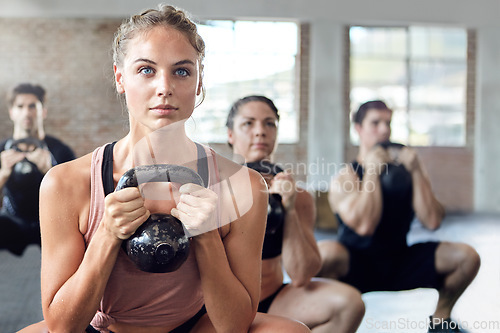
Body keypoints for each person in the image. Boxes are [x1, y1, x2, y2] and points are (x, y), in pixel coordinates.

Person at [20, 5, 311, 333]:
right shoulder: (65, 183)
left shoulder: (246, 186)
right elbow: (62, 327)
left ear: (199, 83)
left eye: (182, 71)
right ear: (120, 78)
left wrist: (207, 235)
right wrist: (106, 234)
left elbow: (234, 325)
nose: (164, 87)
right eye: (146, 70)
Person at [316, 100, 481, 332]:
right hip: (355, 266)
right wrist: (372, 171)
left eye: (388, 123)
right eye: (375, 123)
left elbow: (432, 221)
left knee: (466, 257)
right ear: (358, 129)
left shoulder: (406, 172)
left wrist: (416, 170)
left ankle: (441, 321)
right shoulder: (345, 178)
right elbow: (364, 226)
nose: (384, 130)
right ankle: (324, 320)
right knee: (324, 254)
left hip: (398, 261)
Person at [226, 95, 365, 333]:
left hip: (272, 299)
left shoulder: (299, 196)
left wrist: (288, 209)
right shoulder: (217, 189)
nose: (260, 131)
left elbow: (301, 275)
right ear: (231, 134)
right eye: (248, 124)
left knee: (349, 304)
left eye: (269, 123)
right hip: (223, 303)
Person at [0, 83, 75, 256]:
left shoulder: (60, 150)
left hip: (51, 222)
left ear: (43, 112)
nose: (27, 112)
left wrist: (49, 169)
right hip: (13, 221)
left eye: (32, 106)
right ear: (12, 112)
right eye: (20, 106)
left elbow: (76, 198)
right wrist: (3, 173)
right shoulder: (2, 149)